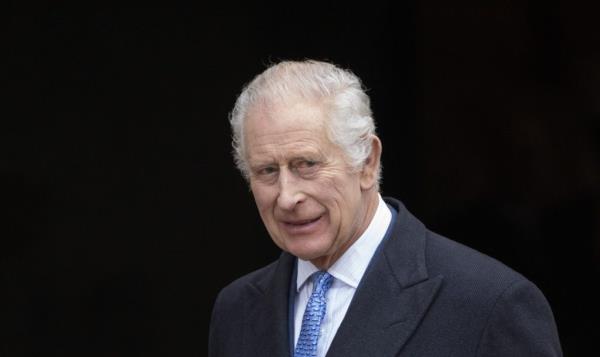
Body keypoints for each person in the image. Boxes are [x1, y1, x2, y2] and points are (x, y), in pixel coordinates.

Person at [208, 60, 562, 356]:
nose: (287, 197)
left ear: (367, 162)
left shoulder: (489, 304)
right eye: (267, 171)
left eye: (307, 165)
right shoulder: (236, 309)